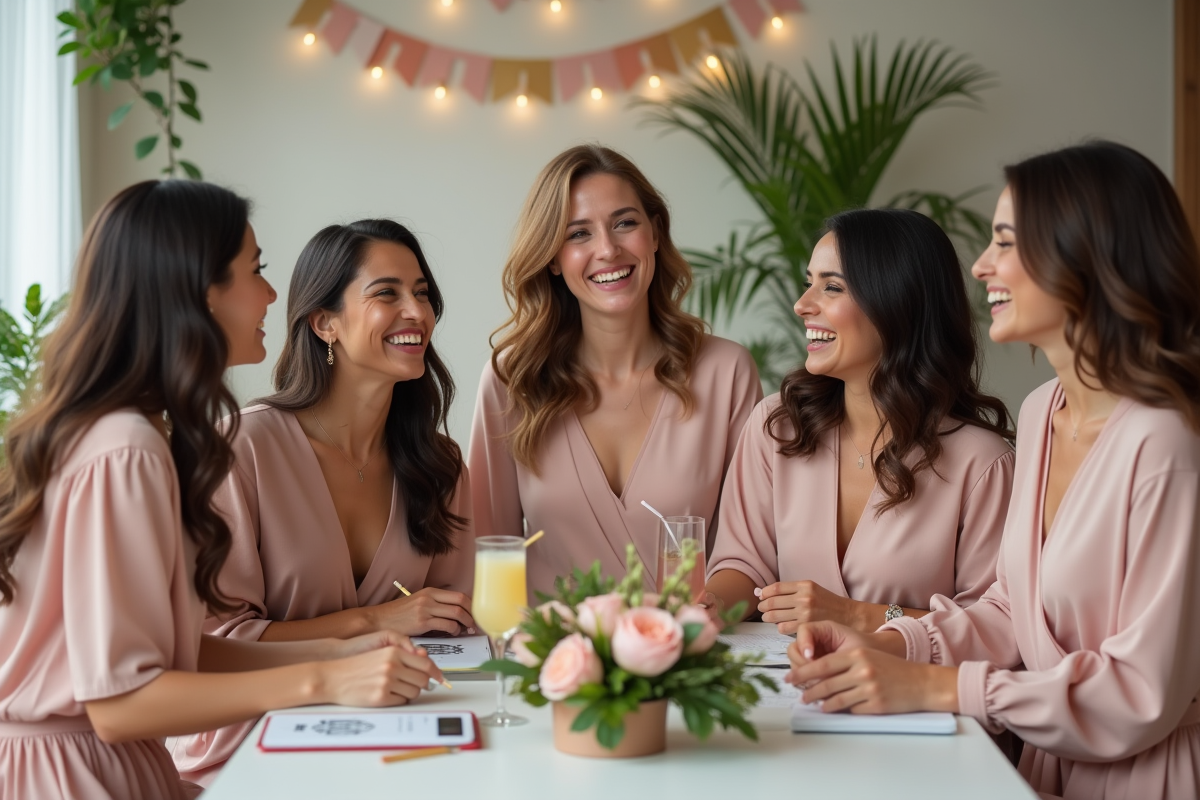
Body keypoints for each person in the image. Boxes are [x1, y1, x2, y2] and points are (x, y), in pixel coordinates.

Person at [0, 181, 444, 800]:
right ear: (196, 292)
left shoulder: (126, 435)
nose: (269, 294)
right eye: (254, 271)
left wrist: (346, 654)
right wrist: (324, 683)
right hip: (74, 778)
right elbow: (121, 703)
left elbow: (179, 657)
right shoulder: (127, 448)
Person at [787, 142, 1200, 800]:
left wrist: (935, 685)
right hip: (1048, 769)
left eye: (1004, 243)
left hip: (1150, 777)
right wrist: (893, 644)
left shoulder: (1169, 443)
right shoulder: (1042, 413)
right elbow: (1012, 612)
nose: (981, 266)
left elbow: (1139, 694)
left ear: (1084, 258)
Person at [170, 219, 474, 784]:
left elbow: (456, 626)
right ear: (324, 322)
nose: (417, 311)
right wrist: (377, 620)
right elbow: (214, 642)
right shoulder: (241, 447)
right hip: (254, 740)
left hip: (400, 734)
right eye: (387, 293)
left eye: (423, 293)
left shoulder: (441, 464)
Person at [470, 144, 761, 599]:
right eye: (578, 234)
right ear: (551, 257)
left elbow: (749, 554)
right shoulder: (512, 379)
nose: (607, 249)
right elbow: (488, 553)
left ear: (656, 234)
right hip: (549, 656)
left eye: (625, 223)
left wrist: (686, 625)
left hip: (686, 654)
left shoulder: (726, 372)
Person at [705, 208, 1014, 633]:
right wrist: (706, 606)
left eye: (831, 287)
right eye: (807, 283)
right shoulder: (777, 426)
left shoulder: (982, 464)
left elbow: (993, 625)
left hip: (912, 695)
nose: (801, 305)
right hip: (788, 685)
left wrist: (855, 616)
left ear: (897, 303)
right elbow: (744, 563)